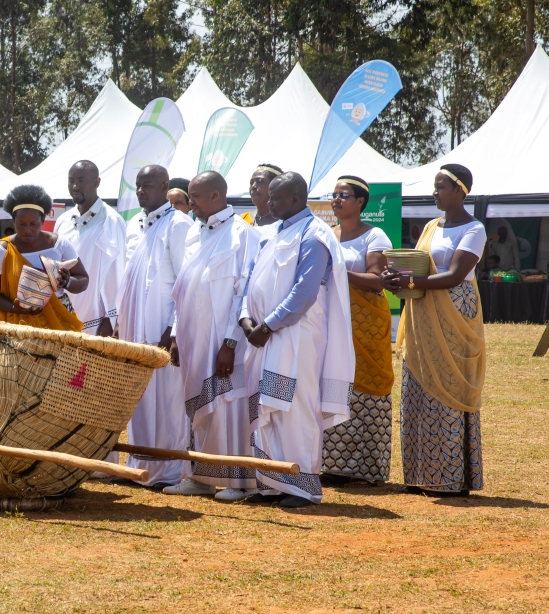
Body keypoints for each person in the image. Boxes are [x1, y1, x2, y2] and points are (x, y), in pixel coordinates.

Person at [239, 172, 353, 508]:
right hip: (265, 337)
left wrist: (267, 325)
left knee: (296, 408)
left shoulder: (314, 234)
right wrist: (246, 319)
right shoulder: (274, 233)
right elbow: (251, 281)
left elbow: (304, 292)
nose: (269, 204)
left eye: (276, 198)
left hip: (297, 336)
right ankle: (272, 483)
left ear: (296, 198)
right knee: (269, 408)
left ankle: (303, 487)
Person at [382, 164, 486, 496]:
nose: (435, 192)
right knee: (417, 386)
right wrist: (398, 279)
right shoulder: (431, 226)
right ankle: (419, 474)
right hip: (422, 311)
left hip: (454, 312)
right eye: (435, 186)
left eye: (441, 186)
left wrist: (410, 281)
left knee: (448, 389)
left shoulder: (474, 229)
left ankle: (450, 477)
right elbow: (419, 265)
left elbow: (455, 274)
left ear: (460, 191)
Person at [164, 171, 261, 501]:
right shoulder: (193, 232)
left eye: (195, 197)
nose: (190, 204)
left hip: (225, 343)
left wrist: (231, 343)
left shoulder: (241, 234)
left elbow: (243, 292)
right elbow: (183, 288)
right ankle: (202, 478)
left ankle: (240, 481)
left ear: (217, 196)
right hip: (194, 340)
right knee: (198, 409)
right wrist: (177, 334)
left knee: (229, 405)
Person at [116, 164, 193, 490]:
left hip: (162, 330)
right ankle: (141, 466)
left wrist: (172, 331)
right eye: (138, 185)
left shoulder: (179, 224)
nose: (141, 191)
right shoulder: (133, 224)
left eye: (148, 185)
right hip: (134, 328)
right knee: (140, 398)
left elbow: (184, 281)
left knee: (168, 400)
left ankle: (170, 471)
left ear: (164, 186)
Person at [322, 176, 395, 486]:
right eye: (334, 195)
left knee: (365, 387)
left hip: (364, 325)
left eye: (344, 195)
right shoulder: (327, 233)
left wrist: (338, 269)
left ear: (361, 202)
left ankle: (365, 470)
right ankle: (331, 464)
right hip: (330, 321)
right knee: (333, 384)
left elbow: (378, 278)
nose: (337, 200)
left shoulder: (374, 235)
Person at [0, 185, 89, 330]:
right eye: (21, 224)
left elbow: (83, 280)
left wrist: (67, 282)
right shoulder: (0, 251)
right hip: (17, 328)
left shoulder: (60, 245)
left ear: (43, 220)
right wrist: (15, 308)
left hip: (59, 323)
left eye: (33, 224)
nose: (27, 230)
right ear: (13, 221)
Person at [54, 160, 124, 337]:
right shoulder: (63, 220)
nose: (75, 186)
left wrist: (111, 319)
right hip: (63, 313)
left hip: (97, 318)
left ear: (97, 182)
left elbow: (117, 273)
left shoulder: (111, 221)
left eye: (81, 180)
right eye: (71, 180)